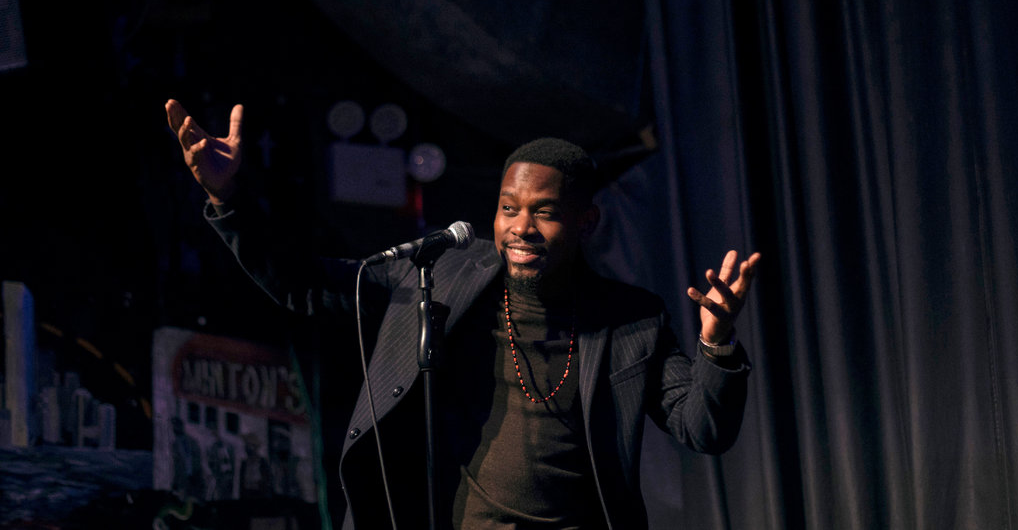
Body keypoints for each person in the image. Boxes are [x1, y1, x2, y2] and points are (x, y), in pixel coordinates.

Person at [165, 99, 761, 529]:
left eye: (545, 212)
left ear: (586, 224)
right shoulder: (439, 275)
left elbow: (701, 428)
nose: (521, 226)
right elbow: (303, 285)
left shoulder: (632, 320)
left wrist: (716, 346)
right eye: (508, 208)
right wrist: (228, 200)